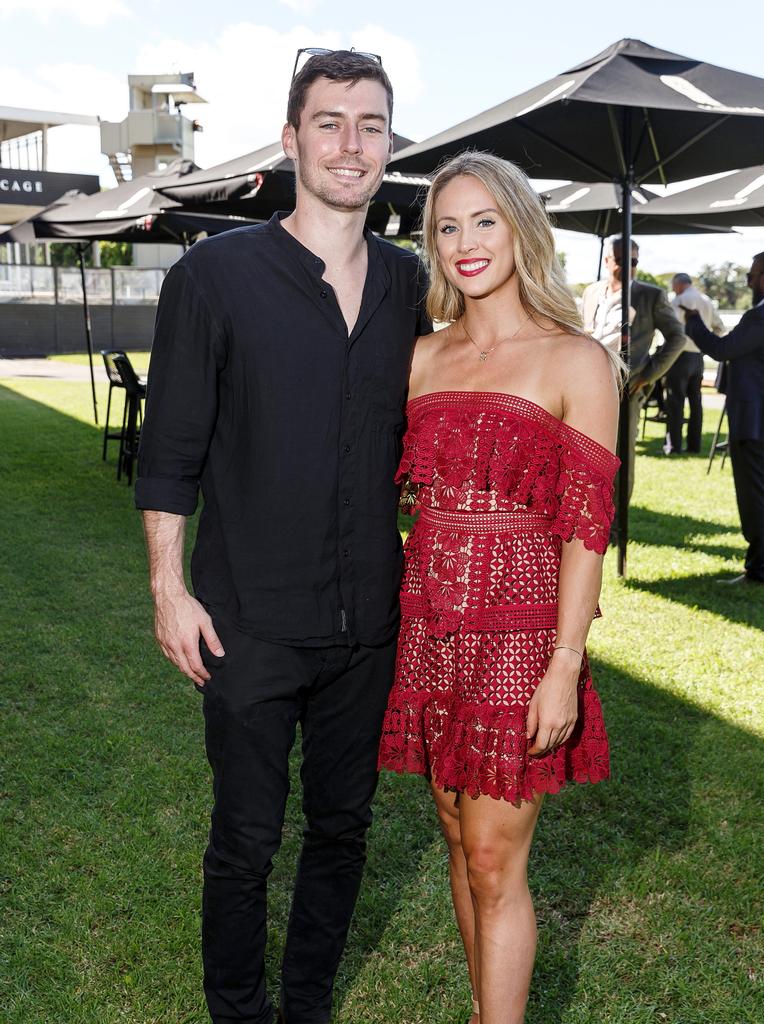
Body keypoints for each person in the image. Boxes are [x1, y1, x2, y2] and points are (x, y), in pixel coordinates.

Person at [135, 49, 431, 1024]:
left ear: (389, 144)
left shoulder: (412, 287)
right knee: (246, 839)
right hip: (247, 620)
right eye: (332, 122)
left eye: (372, 125)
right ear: (293, 137)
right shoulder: (217, 277)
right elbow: (170, 452)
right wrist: (170, 592)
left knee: (343, 829)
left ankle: (305, 1003)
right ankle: (237, 1010)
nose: (353, 144)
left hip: (368, 627)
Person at [377, 152, 621, 1024]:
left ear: (521, 227)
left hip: (520, 632)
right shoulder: (417, 359)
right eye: (448, 227)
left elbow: (588, 526)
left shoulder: (577, 360)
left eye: (484, 221)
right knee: (453, 835)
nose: (466, 243)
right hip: (427, 623)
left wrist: (565, 661)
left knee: (492, 854)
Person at [680, 251, 764, 585]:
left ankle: (759, 568)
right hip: (757, 420)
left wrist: (693, 323)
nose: (748, 280)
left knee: (754, 497)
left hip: (755, 424)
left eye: (753, 274)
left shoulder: (760, 318)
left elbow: (723, 349)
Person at [582, 237, 686, 496]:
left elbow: (678, 337)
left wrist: (650, 374)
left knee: (621, 453)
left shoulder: (650, 295)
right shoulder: (591, 292)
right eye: (621, 260)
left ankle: (618, 523)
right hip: (587, 382)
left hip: (626, 386)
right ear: (607, 261)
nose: (629, 266)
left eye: (634, 261)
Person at [665, 272, 726, 455]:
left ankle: (673, 446)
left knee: (675, 401)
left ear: (678, 285)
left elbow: (671, 329)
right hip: (698, 357)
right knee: (695, 402)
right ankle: (694, 445)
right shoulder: (706, 300)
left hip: (680, 355)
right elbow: (720, 328)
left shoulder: (679, 301)